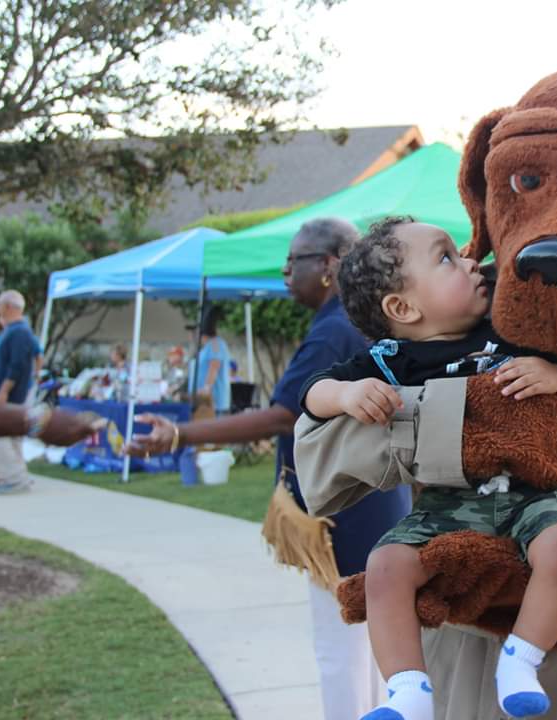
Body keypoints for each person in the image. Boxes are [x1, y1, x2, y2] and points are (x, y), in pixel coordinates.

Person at [302, 218, 557, 720]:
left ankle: (522, 660)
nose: (471, 262)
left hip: (532, 494)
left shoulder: (509, 326)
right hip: (446, 503)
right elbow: (313, 394)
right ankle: (407, 690)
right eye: (446, 258)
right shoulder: (392, 359)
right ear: (403, 309)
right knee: (384, 566)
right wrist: (348, 394)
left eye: (460, 252)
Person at [127, 218, 411, 718]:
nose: (285, 272)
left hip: (344, 519)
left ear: (328, 265)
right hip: (374, 505)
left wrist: (180, 434)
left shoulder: (333, 331)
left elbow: (284, 414)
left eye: (293, 261)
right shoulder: (358, 321)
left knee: (342, 649)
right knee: (369, 647)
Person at [0, 290, 42, 494]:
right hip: (10, 396)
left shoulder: (19, 332)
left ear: (8, 307)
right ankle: (16, 477)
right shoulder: (15, 331)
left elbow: (17, 365)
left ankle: (14, 479)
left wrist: (3, 391)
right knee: (10, 438)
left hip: (8, 397)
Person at [191, 306, 232, 414]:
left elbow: (214, 366)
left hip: (213, 402)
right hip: (203, 401)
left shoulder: (215, 344)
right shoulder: (206, 347)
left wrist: (206, 388)